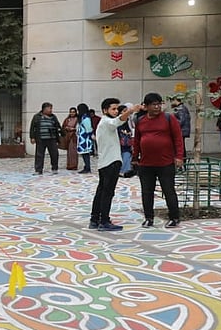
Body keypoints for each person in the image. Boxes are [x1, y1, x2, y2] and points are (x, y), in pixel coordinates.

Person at [131, 92, 184, 228]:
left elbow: (178, 138)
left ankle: (174, 217)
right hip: (146, 163)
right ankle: (149, 218)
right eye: (154, 104)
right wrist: (135, 157)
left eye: (159, 104)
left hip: (165, 163)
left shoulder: (168, 118)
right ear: (146, 106)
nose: (157, 107)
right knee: (147, 192)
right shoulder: (140, 121)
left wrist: (179, 156)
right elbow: (137, 140)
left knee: (168, 190)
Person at [89, 98, 138, 231]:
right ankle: (104, 221)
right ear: (105, 110)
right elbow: (117, 121)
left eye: (117, 109)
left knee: (101, 191)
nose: (116, 111)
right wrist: (130, 111)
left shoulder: (104, 122)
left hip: (106, 162)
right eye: (113, 109)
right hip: (110, 162)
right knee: (107, 192)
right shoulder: (106, 122)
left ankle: (95, 219)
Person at [29, 102, 62, 175]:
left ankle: (54, 168)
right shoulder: (37, 116)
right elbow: (32, 127)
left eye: (51, 108)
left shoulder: (53, 117)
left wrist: (60, 133)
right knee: (39, 155)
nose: (51, 110)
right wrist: (32, 137)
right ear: (45, 109)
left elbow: (58, 126)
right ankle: (38, 170)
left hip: (52, 138)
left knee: (54, 154)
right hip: (40, 138)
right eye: (50, 108)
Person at [75, 103, 95, 174]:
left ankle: (87, 167)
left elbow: (88, 129)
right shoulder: (83, 117)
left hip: (85, 139)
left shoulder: (86, 118)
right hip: (82, 138)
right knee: (84, 154)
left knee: (85, 153)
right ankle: (86, 166)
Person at [60, 106, 79, 171]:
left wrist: (73, 129)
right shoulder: (67, 119)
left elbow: (79, 128)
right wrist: (67, 128)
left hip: (74, 137)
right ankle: (69, 165)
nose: (72, 113)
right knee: (69, 152)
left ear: (76, 112)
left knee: (73, 152)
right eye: (71, 112)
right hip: (68, 137)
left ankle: (74, 165)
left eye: (73, 112)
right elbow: (63, 127)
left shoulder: (78, 119)